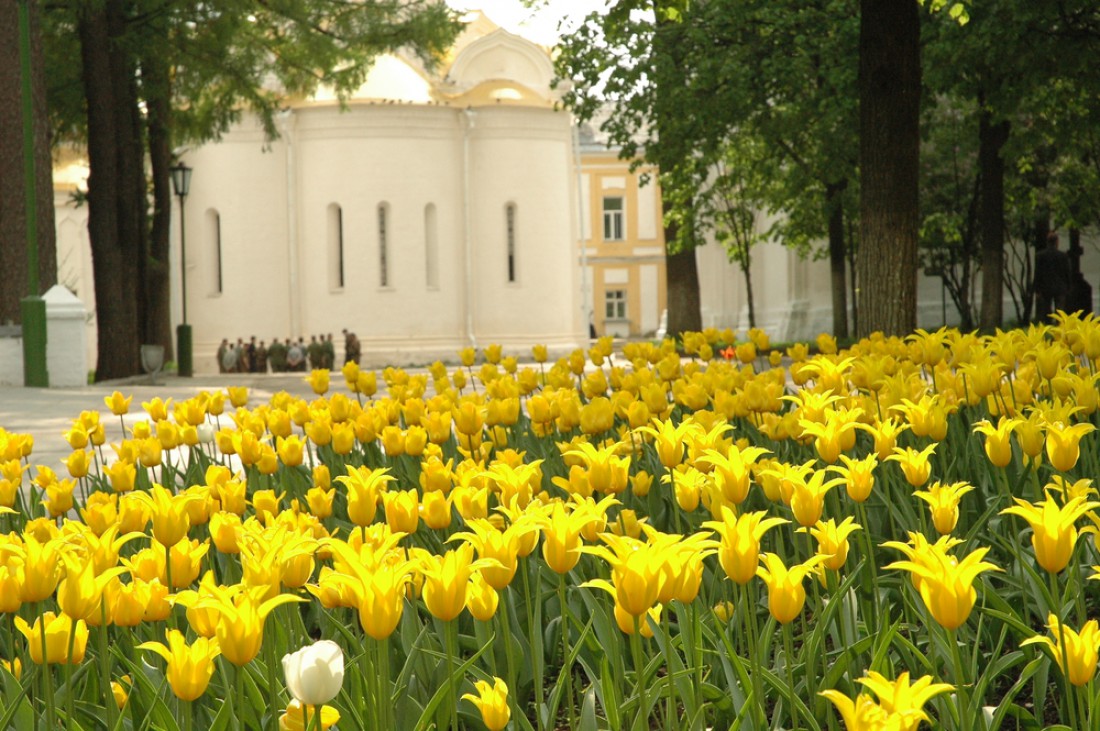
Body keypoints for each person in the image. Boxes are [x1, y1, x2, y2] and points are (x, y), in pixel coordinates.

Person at [1034, 231, 1071, 322]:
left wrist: (1037, 289)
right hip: (1060, 287)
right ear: (1056, 242)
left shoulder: (1040, 256)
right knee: (1060, 312)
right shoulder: (1063, 256)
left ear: (1047, 242)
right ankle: (1059, 328)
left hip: (1045, 288)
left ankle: (1047, 327)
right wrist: (1068, 287)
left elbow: (1038, 273)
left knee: (1046, 311)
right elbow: (1067, 273)